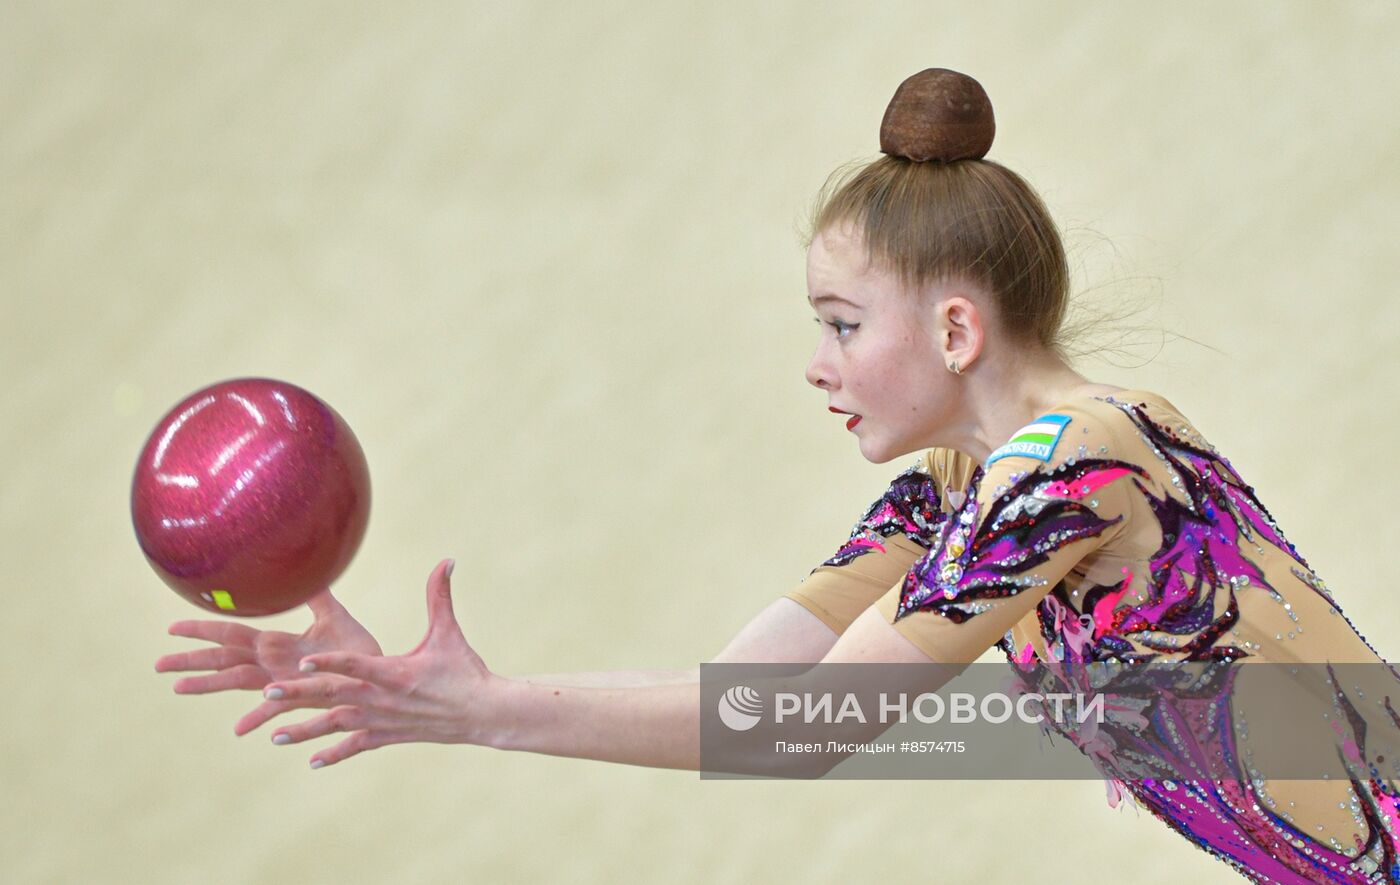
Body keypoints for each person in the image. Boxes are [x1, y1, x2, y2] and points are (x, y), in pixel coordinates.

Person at [155, 68, 1400, 883]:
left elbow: (802, 731)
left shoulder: (1075, 460)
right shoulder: (948, 504)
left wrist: (480, 713)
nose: (817, 364)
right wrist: (466, 700)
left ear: (956, 332)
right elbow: (752, 709)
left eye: (842, 323)